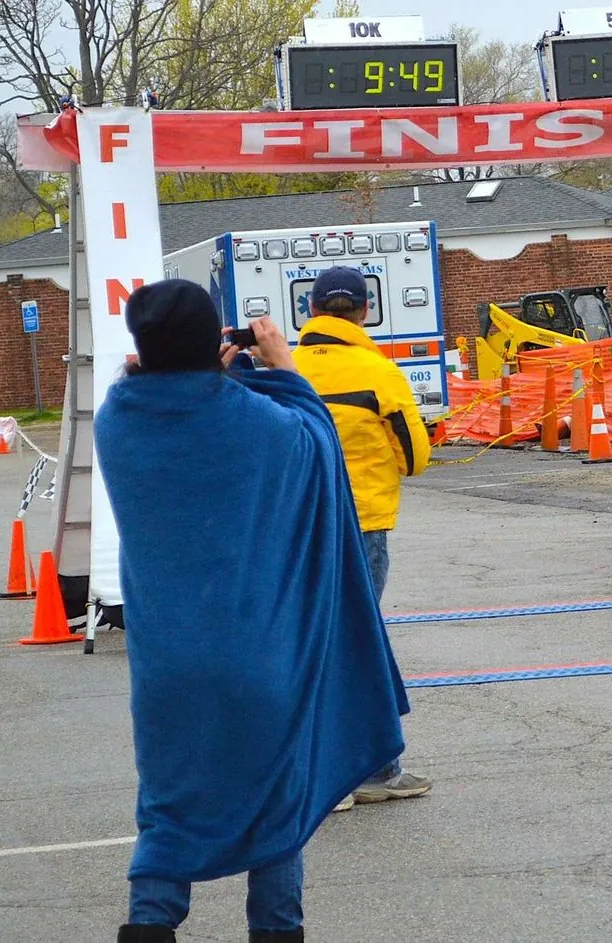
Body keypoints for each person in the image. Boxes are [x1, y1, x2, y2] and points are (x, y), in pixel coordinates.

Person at [95, 280, 411, 943]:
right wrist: (279, 364)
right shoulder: (264, 425)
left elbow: (156, 394)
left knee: (167, 802)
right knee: (275, 801)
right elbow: (318, 439)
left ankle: (151, 920)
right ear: (216, 339)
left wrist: (192, 368)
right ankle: (275, 928)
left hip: (166, 667)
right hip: (258, 657)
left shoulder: (118, 421)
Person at [291, 265, 433, 807]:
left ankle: (309, 768)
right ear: (365, 311)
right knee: (359, 640)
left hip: (298, 520)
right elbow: (416, 457)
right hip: (364, 520)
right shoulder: (380, 373)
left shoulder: (286, 366)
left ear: (311, 309)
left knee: (308, 635)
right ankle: (374, 769)